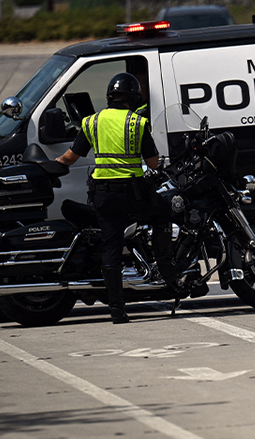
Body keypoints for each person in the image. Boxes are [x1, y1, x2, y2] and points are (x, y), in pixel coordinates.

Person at [55, 73, 174, 324]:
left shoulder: (92, 122)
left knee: (111, 248)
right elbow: (152, 162)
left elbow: (69, 158)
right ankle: (167, 272)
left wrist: (46, 167)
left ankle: (117, 310)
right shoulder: (137, 123)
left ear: (110, 96)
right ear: (133, 97)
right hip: (133, 194)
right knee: (163, 211)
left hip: (104, 195)